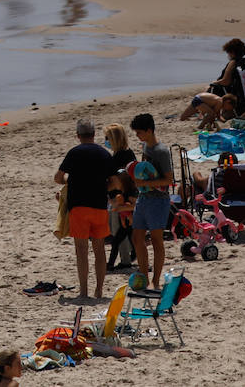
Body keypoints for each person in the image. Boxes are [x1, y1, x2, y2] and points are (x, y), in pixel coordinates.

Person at [54, 119, 114, 299]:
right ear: (94, 135)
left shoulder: (74, 153)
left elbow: (58, 177)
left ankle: (84, 291)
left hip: (78, 206)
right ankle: (99, 290)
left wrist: (70, 183)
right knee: (99, 250)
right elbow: (114, 181)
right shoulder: (104, 154)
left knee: (81, 250)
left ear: (78, 136)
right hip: (99, 206)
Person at [128, 113, 172, 291]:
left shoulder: (162, 151)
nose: (137, 136)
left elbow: (168, 180)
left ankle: (156, 280)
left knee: (156, 240)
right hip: (144, 198)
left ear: (149, 130)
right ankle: (144, 276)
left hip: (158, 201)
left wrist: (145, 183)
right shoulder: (145, 146)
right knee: (137, 237)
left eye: (139, 132)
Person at [102, 123, 136, 270]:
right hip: (127, 198)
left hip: (120, 200)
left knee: (119, 232)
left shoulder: (118, 157)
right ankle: (128, 256)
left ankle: (125, 261)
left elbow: (113, 180)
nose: (105, 140)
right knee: (126, 232)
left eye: (107, 138)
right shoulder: (128, 154)